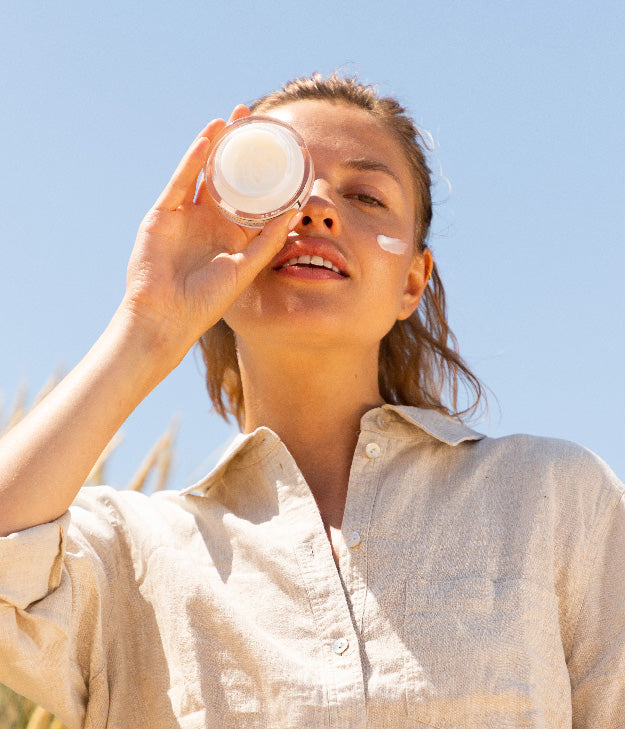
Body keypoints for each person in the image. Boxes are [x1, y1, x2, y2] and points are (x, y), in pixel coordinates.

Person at [0, 73, 623, 729]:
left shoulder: (551, 496)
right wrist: (147, 324)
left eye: (364, 195)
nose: (317, 209)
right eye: (276, 184)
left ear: (412, 280)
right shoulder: (125, 554)